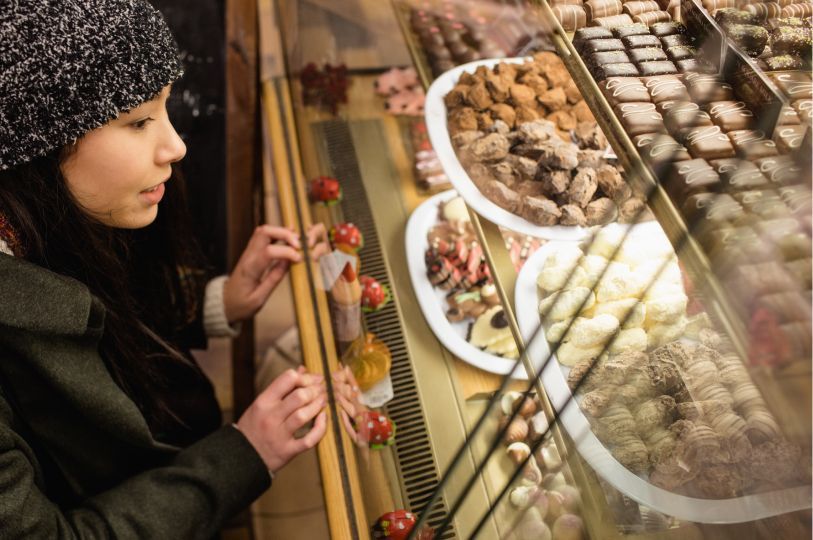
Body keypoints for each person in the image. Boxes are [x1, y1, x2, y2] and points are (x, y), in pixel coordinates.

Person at [0, 0, 339, 536]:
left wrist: (215, 304)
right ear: (36, 148)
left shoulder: (51, 218)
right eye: (138, 122)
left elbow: (95, 323)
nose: (176, 146)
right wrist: (243, 455)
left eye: (165, 108)